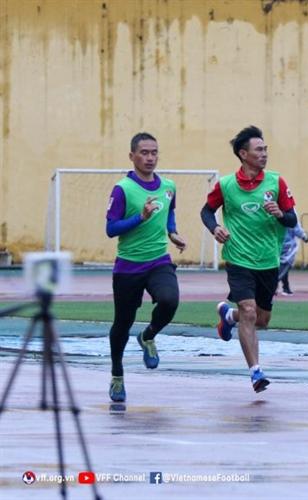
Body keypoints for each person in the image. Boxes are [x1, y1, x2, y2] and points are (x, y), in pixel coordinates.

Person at [200, 125, 297, 393]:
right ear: (243, 154)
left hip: (268, 260)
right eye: (259, 150)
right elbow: (206, 211)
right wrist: (215, 228)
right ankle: (256, 372)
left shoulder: (276, 182)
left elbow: (292, 219)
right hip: (238, 258)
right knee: (249, 311)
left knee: (261, 320)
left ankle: (228, 316)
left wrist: (280, 214)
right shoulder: (226, 185)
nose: (264, 154)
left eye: (266, 149)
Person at [105, 132, 187, 402]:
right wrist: (139, 217)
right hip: (128, 266)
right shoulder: (123, 189)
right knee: (122, 323)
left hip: (158, 260)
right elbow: (111, 229)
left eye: (154, 152)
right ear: (132, 156)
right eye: (144, 153)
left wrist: (172, 232)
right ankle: (117, 375)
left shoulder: (169, 186)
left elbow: (169, 211)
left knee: (170, 300)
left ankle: (148, 336)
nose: (150, 158)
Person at [278, 213, 308, 296]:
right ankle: (273, 286)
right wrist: (304, 236)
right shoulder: (289, 211)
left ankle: (286, 288)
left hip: (277, 245)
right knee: (284, 266)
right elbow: (295, 226)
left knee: (282, 267)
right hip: (286, 246)